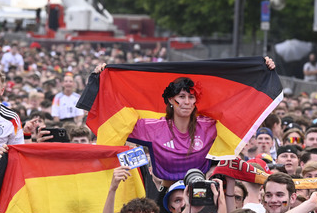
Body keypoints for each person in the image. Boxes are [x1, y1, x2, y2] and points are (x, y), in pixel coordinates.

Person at [93, 57, 276, 181]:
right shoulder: (151, 127)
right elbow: (118, 120)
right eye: (181, 97)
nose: (186, 102)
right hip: (165, 193)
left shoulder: (211, 126)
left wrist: (262, 71)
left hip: (201, 193)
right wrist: (103, 79)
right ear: (171, 100)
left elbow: (241, 106)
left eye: (191, 97)